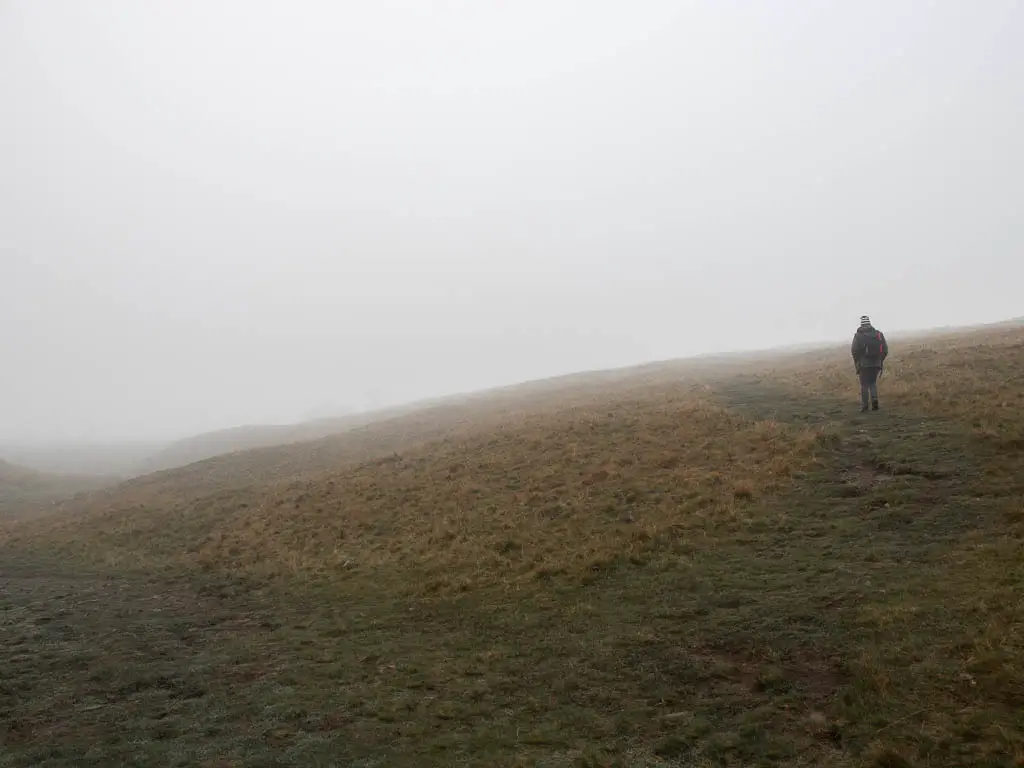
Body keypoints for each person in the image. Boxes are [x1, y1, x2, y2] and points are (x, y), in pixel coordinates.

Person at [851, 315, 888, 412]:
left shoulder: (858, 336)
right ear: (869, 323)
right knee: (872, 383)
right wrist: (880, 360)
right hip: (876, 363)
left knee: (864, 385)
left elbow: (854, 351)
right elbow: (885, 350)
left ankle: (865, 406)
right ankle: (875, 402)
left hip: (863, 364)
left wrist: (857, 362)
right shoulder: (878, 334)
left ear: (861, 324)